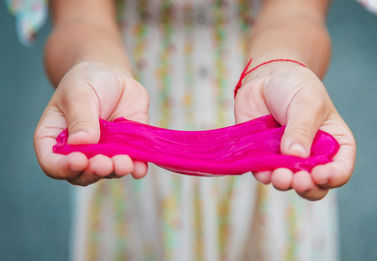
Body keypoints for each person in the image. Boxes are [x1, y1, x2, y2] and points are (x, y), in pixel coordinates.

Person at [7, 0, 358, 260]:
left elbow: (298, 12)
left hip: (271, 124)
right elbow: (78, 16)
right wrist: (91, 66)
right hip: (122, 112)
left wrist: (281, 66)